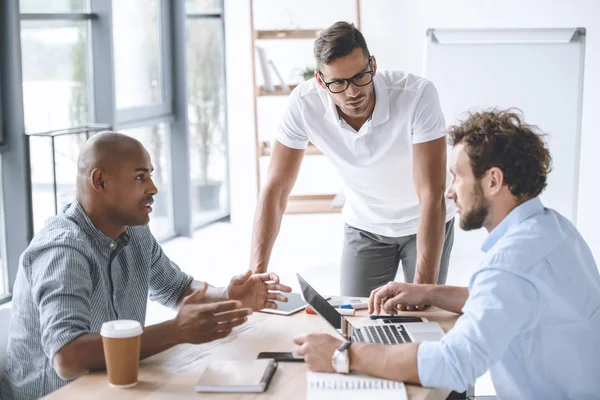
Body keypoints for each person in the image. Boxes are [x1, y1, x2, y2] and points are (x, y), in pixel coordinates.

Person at [294, 109, 600, 398]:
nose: (450, 191)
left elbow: (454, 365)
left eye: (457, 176)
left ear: (493, 180)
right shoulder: (553, 229)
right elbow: (506, 302)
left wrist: (343, 353)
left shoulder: (511, 263)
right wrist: (428, 291)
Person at [0, 132, 292, 399]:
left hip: (114, 388)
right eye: (141, 178)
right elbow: (68, 357)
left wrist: (228, 295)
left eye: (151, 176)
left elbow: (177, 289)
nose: (153, 188)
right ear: (100, 181)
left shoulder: (134, 231)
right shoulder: (63, 250)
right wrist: (176, 331)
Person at [250, 21, 455, 299]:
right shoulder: (303, 104)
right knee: (353, 319)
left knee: (421, 314)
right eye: (338, 83)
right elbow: (275, 190)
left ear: (373, 65)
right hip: (365, 226)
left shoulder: (416, 96)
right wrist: (256, 272)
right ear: (321, 81)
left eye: (360, 76)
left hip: (424, 220)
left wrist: (421, 292)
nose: (352, 92)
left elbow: (431, 194)